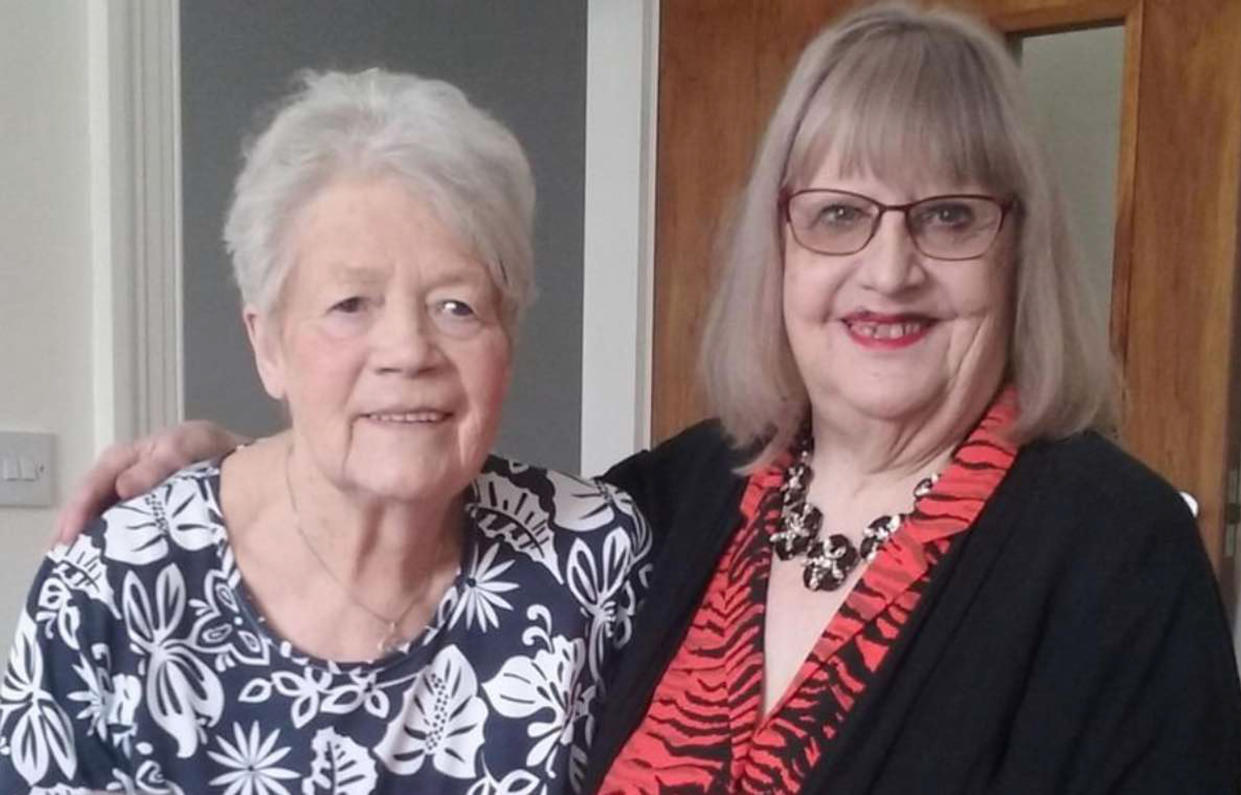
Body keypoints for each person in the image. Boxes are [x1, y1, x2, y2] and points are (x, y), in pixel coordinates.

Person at [48, 3, 1241, 793]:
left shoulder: (1111, 554)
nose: (888, 271)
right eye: (835, 215)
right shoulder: (676, 504)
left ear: (1017, 250)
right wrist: (230, 477)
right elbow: (401, 473)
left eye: (948, 217)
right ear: (778, 251)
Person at [0, 69, 651, 793]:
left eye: (457, 306)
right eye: (350, 303)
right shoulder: (113, 587)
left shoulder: (595, 566)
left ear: (510, 335)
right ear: (267, 344)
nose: (407, 349)